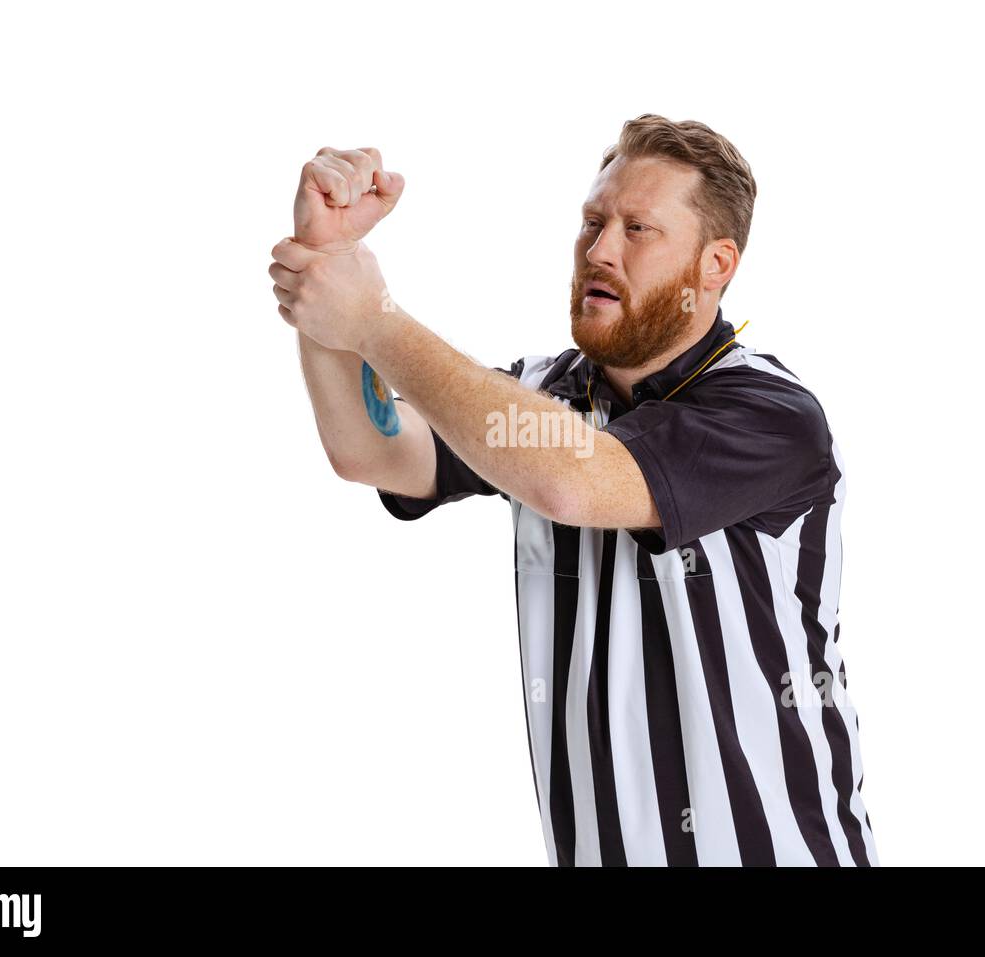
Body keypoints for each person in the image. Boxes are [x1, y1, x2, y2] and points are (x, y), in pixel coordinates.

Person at [268, 114, 879, 867]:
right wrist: (331, 264)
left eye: (638, 229)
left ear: (715, 264)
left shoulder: (771, 414)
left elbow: (574, 478)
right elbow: (371, 448)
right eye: (593, 221)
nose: (599, 250)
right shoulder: (537, 394)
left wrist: (376, 321)